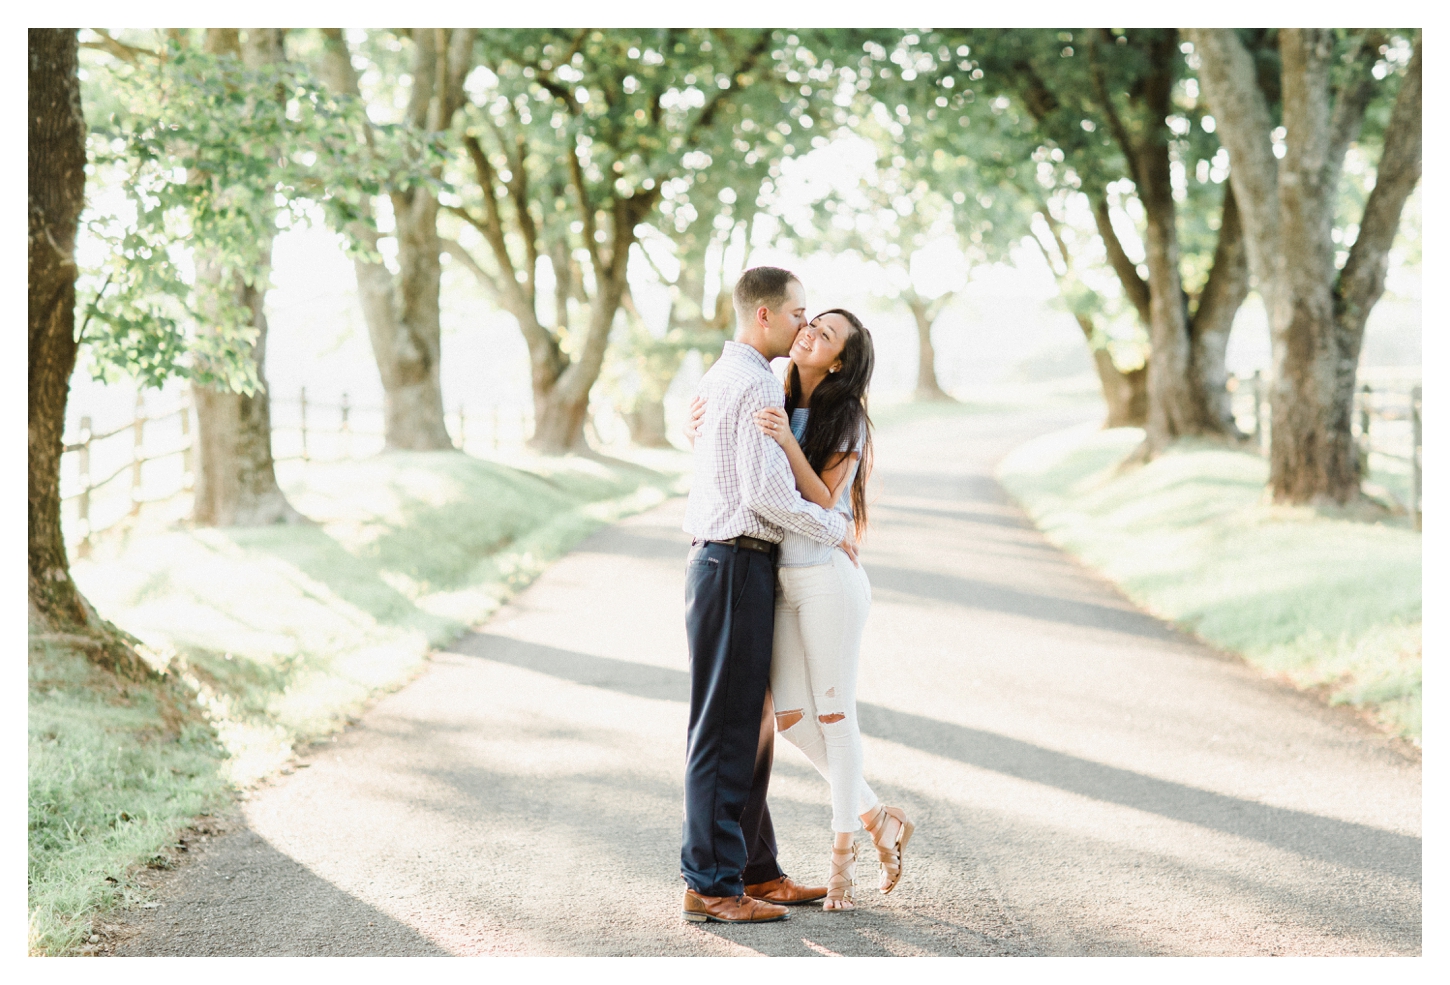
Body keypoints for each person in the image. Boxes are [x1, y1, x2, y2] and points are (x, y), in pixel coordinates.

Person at [688, 308, 913, 912]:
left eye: (825, 332)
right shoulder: (770, 391)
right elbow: (738, 462)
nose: (809, 330)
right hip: (777, 574)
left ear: (839, 360)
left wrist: (787, 441)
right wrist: (701, 427)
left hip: (825, 577)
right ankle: (876, 816)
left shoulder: (846, 419)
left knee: (833, 715)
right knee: (786, 718)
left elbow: (823, 497)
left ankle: (844, 865)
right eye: (808, 320)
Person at [679, 266, 859, 925]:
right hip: (732, 563)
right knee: (725, 728)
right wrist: (833, 527)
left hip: (739, 565)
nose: (802, 324)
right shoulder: (752, 381)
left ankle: (756, 870)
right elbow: (762, 495)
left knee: (750, 727)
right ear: (763, 314)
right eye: (796, 313)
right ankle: (711, 882)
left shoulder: (728, 378)